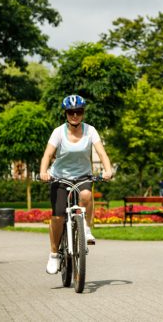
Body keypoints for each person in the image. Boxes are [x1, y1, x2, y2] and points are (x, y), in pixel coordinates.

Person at [39, 94, 113, 275]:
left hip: (82, 176)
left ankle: (85, 228)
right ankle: (54, 254)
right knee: (57, 217)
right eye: (71, 112)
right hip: (59, 178)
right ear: (66, 113)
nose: (75, 116)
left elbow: (102, 153)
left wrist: (108, 170)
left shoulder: (90, 131)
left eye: (78, 112)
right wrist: (43, 172)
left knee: (86, 195)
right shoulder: (58, 132)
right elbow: (47, 155)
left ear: (83, 113)